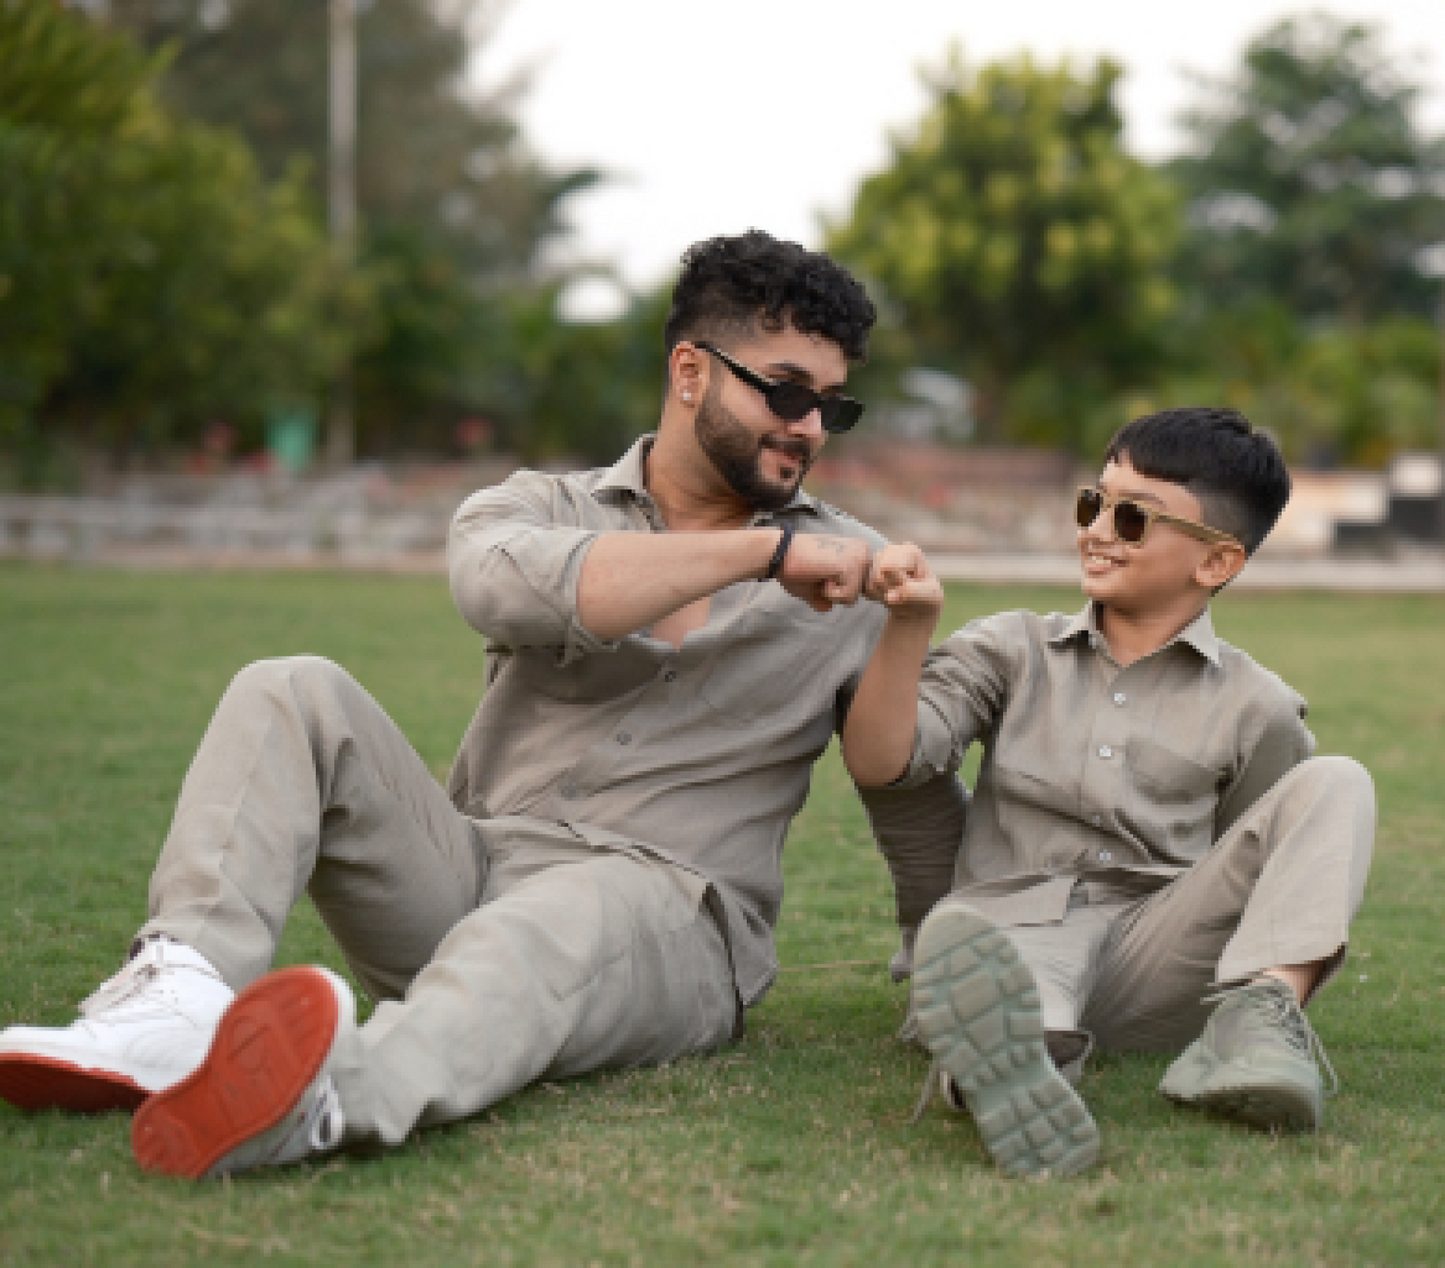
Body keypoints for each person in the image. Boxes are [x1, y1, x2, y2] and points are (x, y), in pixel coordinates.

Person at [0, 230, 964, 1178]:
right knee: (290, 688)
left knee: (545, 926)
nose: (805, 426)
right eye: (786, 390)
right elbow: (504, 590)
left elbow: (908, 790)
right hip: (468, 872)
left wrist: (942, 964)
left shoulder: (857, 572)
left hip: (668, 912)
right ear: (689, 372)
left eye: (831, 408)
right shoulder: (535, 507)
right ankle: (178, 1000)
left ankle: (325, 1100)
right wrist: (764, 554)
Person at [843, 407, 1376, 1178]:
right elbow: (882, 765)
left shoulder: (1257, 706)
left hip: (1151, 955)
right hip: (1008, 926)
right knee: (997, 965)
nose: (1098, 530)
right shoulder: (1010, 648)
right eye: (1094, 503)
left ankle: (1260, 1025)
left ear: (1215, 563)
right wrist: (909, 625)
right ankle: (1019, 1064)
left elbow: (1253, 854)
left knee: (1336, 782)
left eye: (1132, 518)